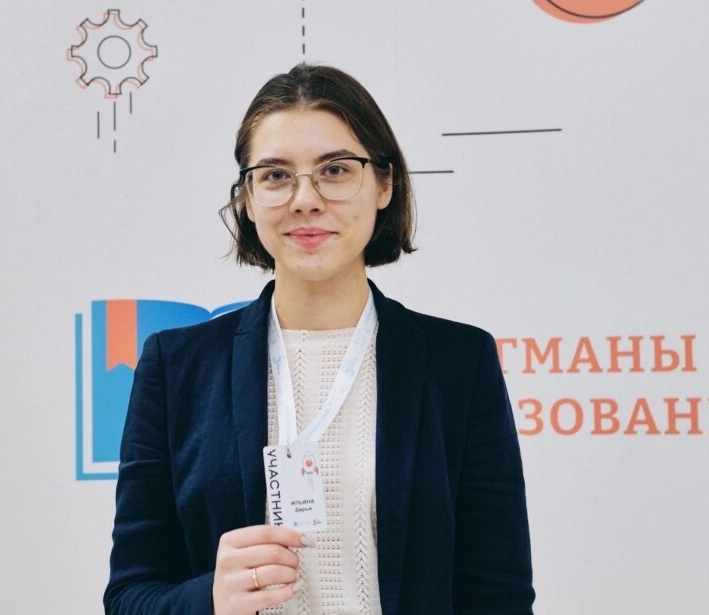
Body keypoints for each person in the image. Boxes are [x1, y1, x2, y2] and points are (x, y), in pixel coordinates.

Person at [103, 63, 535, 615]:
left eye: (335, 170)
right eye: (276, 175)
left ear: (385, 185)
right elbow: (129, 597)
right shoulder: (177, 368)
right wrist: (207, 599)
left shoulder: (458, 365)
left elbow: (499, 598)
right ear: (247, 198)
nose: (305, 199)